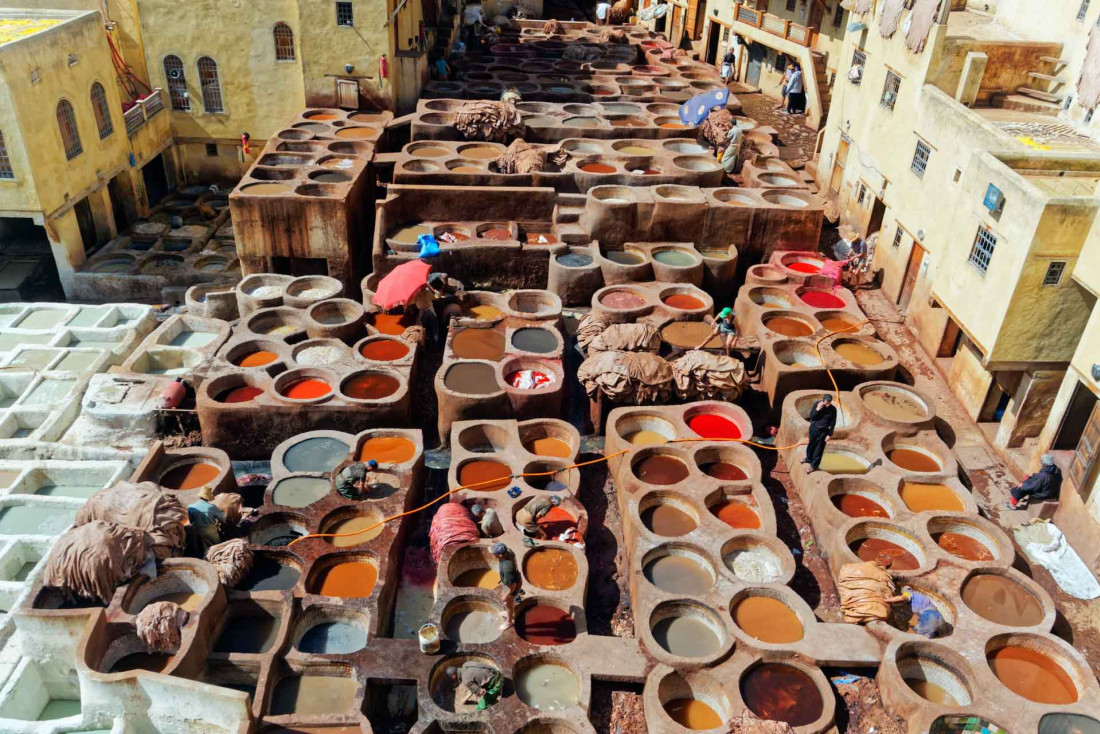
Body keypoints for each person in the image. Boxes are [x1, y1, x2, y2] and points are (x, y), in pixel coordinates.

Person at [187, 487, 227, 555]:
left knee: (201, 547)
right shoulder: (211, 507)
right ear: (208, 498)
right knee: (218, 546)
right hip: (209, 530)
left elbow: (191, 521)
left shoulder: (190, 507)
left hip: (197, 530)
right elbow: (224, 518)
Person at [802, 394, 837, 472]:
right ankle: (808, 459)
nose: (828, 404)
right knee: (811, 445)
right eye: (827, 402)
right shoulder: (817, 404)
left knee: (819, 449)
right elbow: (812, 416)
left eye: (829, 402)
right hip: (814, 429)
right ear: (823, 400)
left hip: (824, 431)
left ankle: (813, 466)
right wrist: (817, 409)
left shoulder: (833, 409)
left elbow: (833, 423)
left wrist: (829, 434)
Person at [491, 542, 521, 630]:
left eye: (494, 553)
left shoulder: (507, 569)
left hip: (513, 585)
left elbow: (513, 586)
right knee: (508, 603)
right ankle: (509, 613)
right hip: (514, 578)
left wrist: (506, 595)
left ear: (500, 555)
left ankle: (509, 622)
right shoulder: (508, 552)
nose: (493, 554)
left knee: (508, 603)